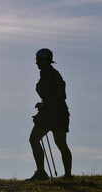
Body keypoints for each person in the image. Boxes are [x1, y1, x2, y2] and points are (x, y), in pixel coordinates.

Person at [27, 48, 73, 181]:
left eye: (38, 60)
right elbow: (56, 96)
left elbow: (51, 98)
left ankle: (41, 173)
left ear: (43, 61)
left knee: (34, 139)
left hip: (51, 113)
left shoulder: (47, 75)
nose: (36, 63)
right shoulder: (53, 73)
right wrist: (42, 104)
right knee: (61, 144)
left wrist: (43, 109)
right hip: (61, 112)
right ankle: (68, 175)